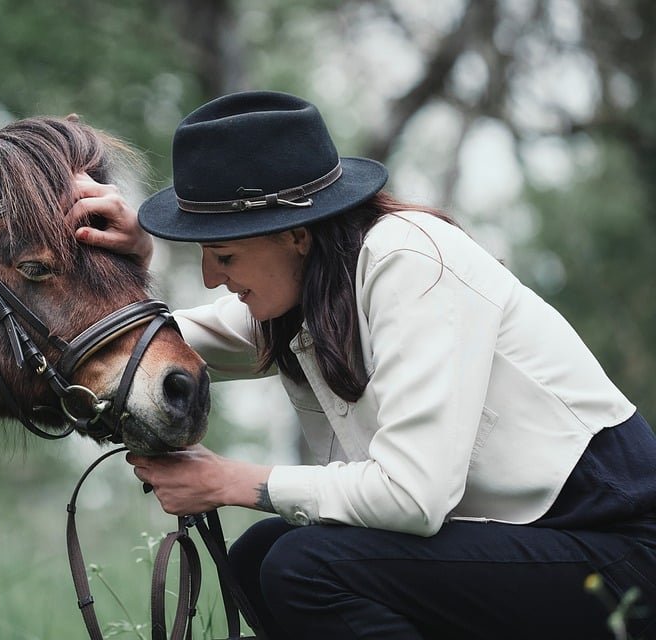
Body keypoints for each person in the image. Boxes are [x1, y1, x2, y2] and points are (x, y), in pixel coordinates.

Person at [70, 90, 656, 639]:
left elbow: (412, 497)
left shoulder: (410, 262)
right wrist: (131, 265)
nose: (209, 277)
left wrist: (230, 481)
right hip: (522, 545)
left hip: (617, 549)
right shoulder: (304, 293)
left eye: (223, 254)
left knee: (304, 567)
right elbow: (151, 344)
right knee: (259, 556)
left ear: (295, 234)